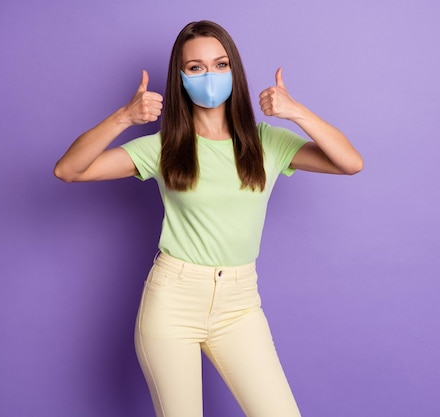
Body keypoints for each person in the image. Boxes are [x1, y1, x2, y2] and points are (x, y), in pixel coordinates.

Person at [54, 20, 363, 417]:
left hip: (240, 305)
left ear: (234, 71)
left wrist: (295, 111)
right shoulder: (163, 147)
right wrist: (124, 118)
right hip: (173, 302)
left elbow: (350, 162)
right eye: (196, 67)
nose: (210, 75)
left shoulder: (267, 141)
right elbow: (69, 170)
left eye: (220, 65)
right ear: (180, 78)